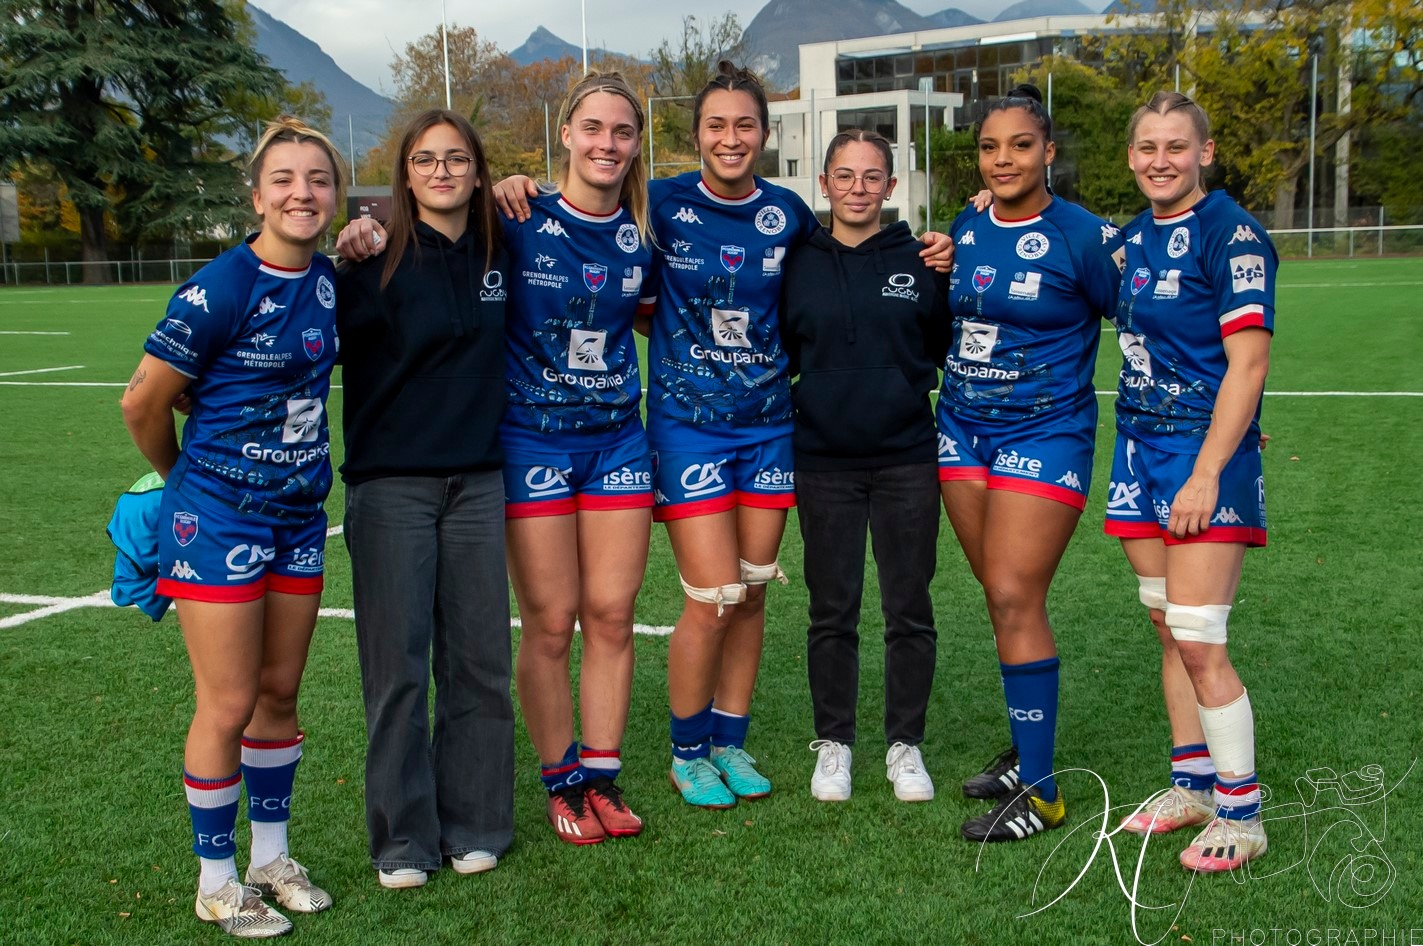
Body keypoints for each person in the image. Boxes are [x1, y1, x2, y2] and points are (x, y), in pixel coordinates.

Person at [495, 62, 953, 810]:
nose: (730, 138)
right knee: (711, 596)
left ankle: (728, 742)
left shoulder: (788, 215)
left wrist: (930, 251)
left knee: (749, 597)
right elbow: (616, 269)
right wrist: (510, 185)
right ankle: (686, 752)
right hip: (687, 431)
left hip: (771, 427)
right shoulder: (660, 203)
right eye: (716, 125)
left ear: (766, 137)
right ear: (693, 134)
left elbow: (848, 255)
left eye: (745, 125)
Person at [120, 115, 343, 937]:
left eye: (317, 179)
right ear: (256, 195)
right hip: (214, 520)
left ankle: (269, 859)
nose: (301, 193)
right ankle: (215, 880)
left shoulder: (327, 283)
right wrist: (185, 480)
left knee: (279, 695)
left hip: (296, 518)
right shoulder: (218, 286)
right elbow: (141, 400)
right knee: (226, 702)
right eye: (283, 179)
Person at [935, 85, 1125, 842]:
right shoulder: (967, 225)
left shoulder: (1085, 237)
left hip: (1046, 434)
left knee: (1014, 592)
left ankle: (1041, 794)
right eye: (990, 147)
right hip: (959, 431)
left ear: (1047, 151)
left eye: (1020, 144)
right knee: (1000, 595)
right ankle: (1028, 749)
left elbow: (1148, 324)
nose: (1004, 159)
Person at [335, 109, 513, 890]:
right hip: (391, 488)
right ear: (404, 173)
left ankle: (473, 823)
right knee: (398, 671)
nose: (441, 171)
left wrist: (520, 189)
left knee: (479, 665)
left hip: (478, 483)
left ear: (476, 170)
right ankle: (403, 841)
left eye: (457, 159)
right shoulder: (367, 259)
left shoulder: (503, 246)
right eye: (425, 159)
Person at [1105, 91, 1276, 872]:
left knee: (1201, 638)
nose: (1159, 160)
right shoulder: (1130, 240)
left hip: (1200, 462)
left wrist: (1208, 471)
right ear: (1131, 156)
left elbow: (1249, 363)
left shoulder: (1230, 233)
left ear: (1203, 153)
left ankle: (1241, 813)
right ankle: (1192, 784)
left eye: (1176, 146)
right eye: (1147, 147)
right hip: (1138, 452)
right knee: (1167, 626)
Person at [779, 130, 950, 803]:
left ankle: (904, 747)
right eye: (844, 175)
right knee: (832, 609)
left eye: (870, 176)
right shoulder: (797, 262)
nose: (857, 187)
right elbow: (785, 350)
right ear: (823, 184)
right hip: (821, 460)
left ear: (890, 185)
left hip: (907, 457)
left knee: (908, 606)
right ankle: (836, 747)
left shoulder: (923, 260)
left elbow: (941, 346)